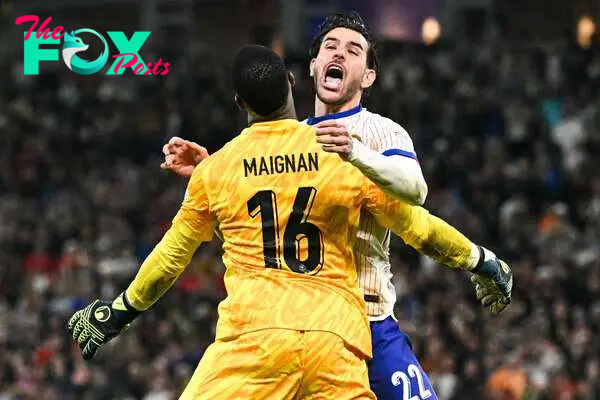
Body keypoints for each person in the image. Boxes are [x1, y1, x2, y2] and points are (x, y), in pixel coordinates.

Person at [67, 45, 511, 399]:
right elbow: (420, 227)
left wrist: (120, 311)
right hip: (334, 343)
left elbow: (171, 257)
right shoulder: (342, 153)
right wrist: (481, 261)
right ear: (292, 82)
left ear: (239, 102)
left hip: (253, 346)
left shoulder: (218, 170)